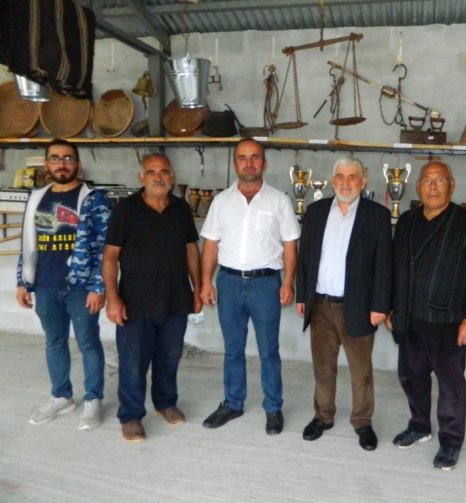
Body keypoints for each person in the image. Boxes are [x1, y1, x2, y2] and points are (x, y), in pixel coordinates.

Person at [386, 161, 466, 470]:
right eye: (427, 180)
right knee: (412, 378)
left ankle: (451, 441)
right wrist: (392, 306)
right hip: (410, 318)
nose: (433, 186)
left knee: (450, 386)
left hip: (449, 322)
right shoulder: (407, 221)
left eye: (440, 180)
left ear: (451, 185)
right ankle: (419, 425)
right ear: (418, 186)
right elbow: (395, 266)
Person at [200, 138, 300, 435]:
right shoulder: (221, 201)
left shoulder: (279, 201)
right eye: (242, 157)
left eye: (255, 157)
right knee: (233, 349)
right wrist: (206, 282)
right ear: (235, 163)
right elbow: (210, 244)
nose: (249, 163)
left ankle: (273, 407)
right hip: (228, 282)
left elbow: (290, 244)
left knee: (269, 350)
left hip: (265, 284)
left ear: (264, 163)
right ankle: (233, 403)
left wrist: (289, 282)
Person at [102, 153, 202, 442]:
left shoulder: (181, 209)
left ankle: (165, 403)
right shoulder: (125, 210)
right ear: (141, 178)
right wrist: (113, 298)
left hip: (175, 299)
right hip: (134, 302)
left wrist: (197, 288)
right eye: (151, 172)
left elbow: (191, 250)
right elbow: (110, 255)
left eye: (164, 172)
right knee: (133, 362)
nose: (158, 177)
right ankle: (131, 416)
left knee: (169, 358)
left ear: (172, 177)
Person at [295, 156, 392, 451]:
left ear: (363, 182)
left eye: (352, 177)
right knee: (323, 367)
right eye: (340, 176)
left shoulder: (376, 215)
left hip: (359, 306)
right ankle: (322, 416)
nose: (346, 183)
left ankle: (362, 422)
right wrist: (302, 296)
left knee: (361, 371)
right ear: (332, 180)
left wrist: (380, 305)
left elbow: (384, 263)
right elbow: (305, 257)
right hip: (320, 305)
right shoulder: (316, 211)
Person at [16, 138, 109, 430]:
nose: (62, 164)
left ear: (77, 163)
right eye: (55, 159)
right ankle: (61, 396)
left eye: (68, 158)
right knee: (54, 341)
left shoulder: (93, 198)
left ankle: (93, 399)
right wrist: (23, 281)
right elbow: (27, 242)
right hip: (45, 284)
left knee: (88, 343)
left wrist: (98, 286)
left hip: (80, 287)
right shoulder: (36, 197)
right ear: (47, 165)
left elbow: (106, 248)